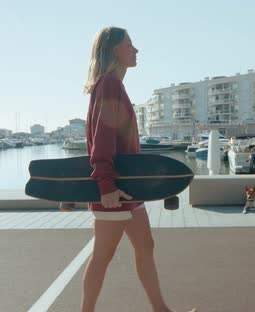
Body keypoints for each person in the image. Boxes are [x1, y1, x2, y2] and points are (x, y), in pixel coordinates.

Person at [81, 26, 196, 312]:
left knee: (146, 248)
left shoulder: (113, 85)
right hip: (115, 190)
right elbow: (101, 139)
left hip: (130, 190)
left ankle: (161, 310)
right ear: (114, 50)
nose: (135, 50)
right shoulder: (109, 84)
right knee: (102, 257)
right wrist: (106, 186)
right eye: (129, 45)